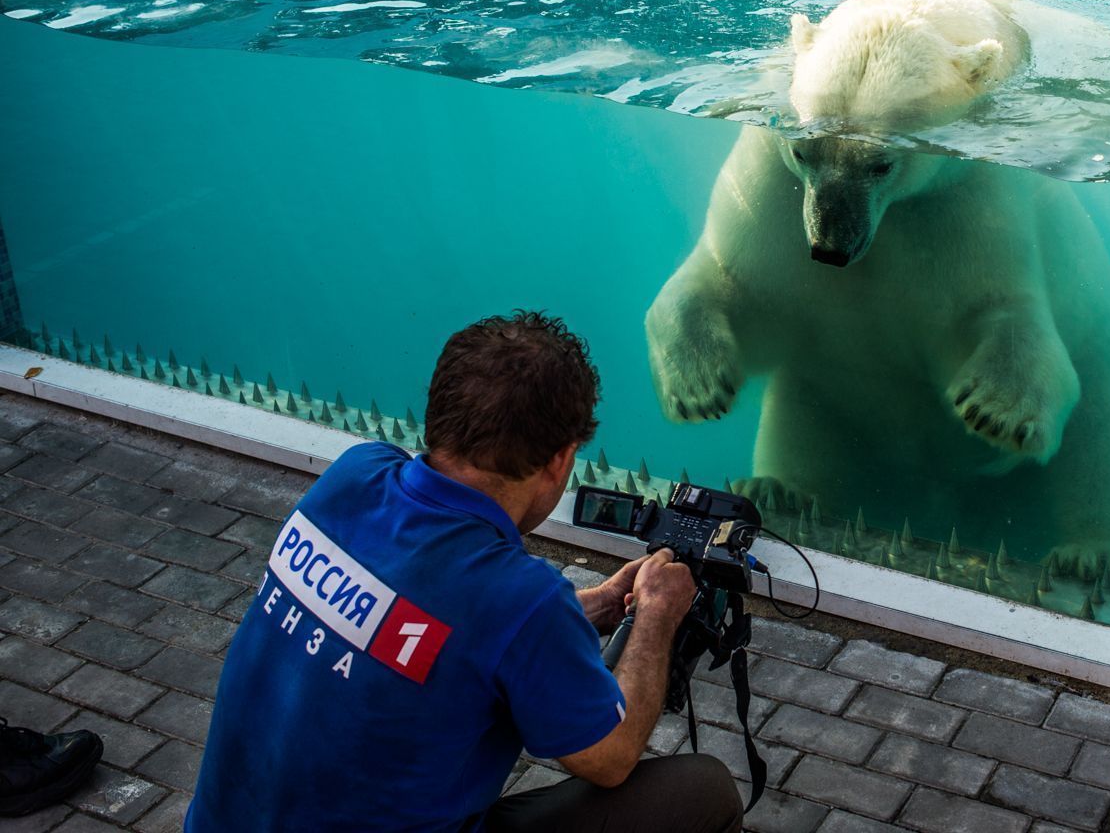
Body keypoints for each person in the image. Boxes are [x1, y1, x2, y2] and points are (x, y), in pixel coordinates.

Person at [187, 312, 743, 832]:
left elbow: (431, 621)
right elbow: (611, 757)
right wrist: (658, 615)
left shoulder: (353, 475)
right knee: (704, 791)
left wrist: (591, 606)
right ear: (559, 461)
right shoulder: (519, 598)